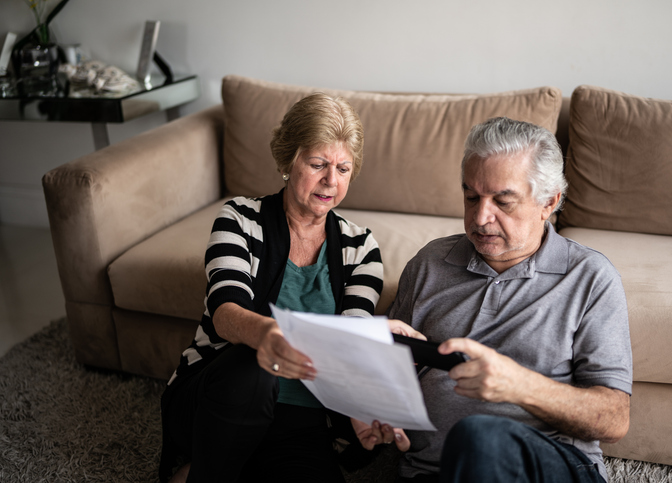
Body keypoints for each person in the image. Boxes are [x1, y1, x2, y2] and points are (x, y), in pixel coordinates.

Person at [159, 93, 417, 482]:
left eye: (344, 169)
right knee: (254, 365)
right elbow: (226, 312)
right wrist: (271, 334)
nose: (332, 181)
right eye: (318, 164)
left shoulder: (360, 247)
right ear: (287, 160)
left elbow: (348, 344)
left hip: (302, 418)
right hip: (220, 398)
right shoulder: (240, 219)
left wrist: (364, 402)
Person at [386, 117, 633, 483]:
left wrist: (519, 385)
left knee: (479, 435)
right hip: (430, 470)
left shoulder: (589, 278)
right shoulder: (430, 263)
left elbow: (614, 419)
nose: (481, 216)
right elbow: (392, 371)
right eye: (472, 197)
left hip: (547, 466)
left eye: (503, 201)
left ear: (549, 202)